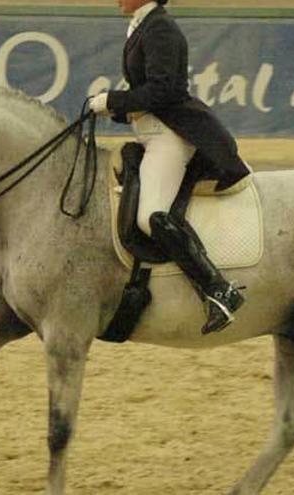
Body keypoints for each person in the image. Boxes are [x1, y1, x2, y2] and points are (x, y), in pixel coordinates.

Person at [89, 0, 251, 334]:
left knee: (151, 217)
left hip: (170, 136)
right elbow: (146, 93)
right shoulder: (143, 24)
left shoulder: (160, 27)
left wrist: (114, 101)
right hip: (152, 133)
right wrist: (115, 110)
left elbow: (165, 90)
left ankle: (218, 289)